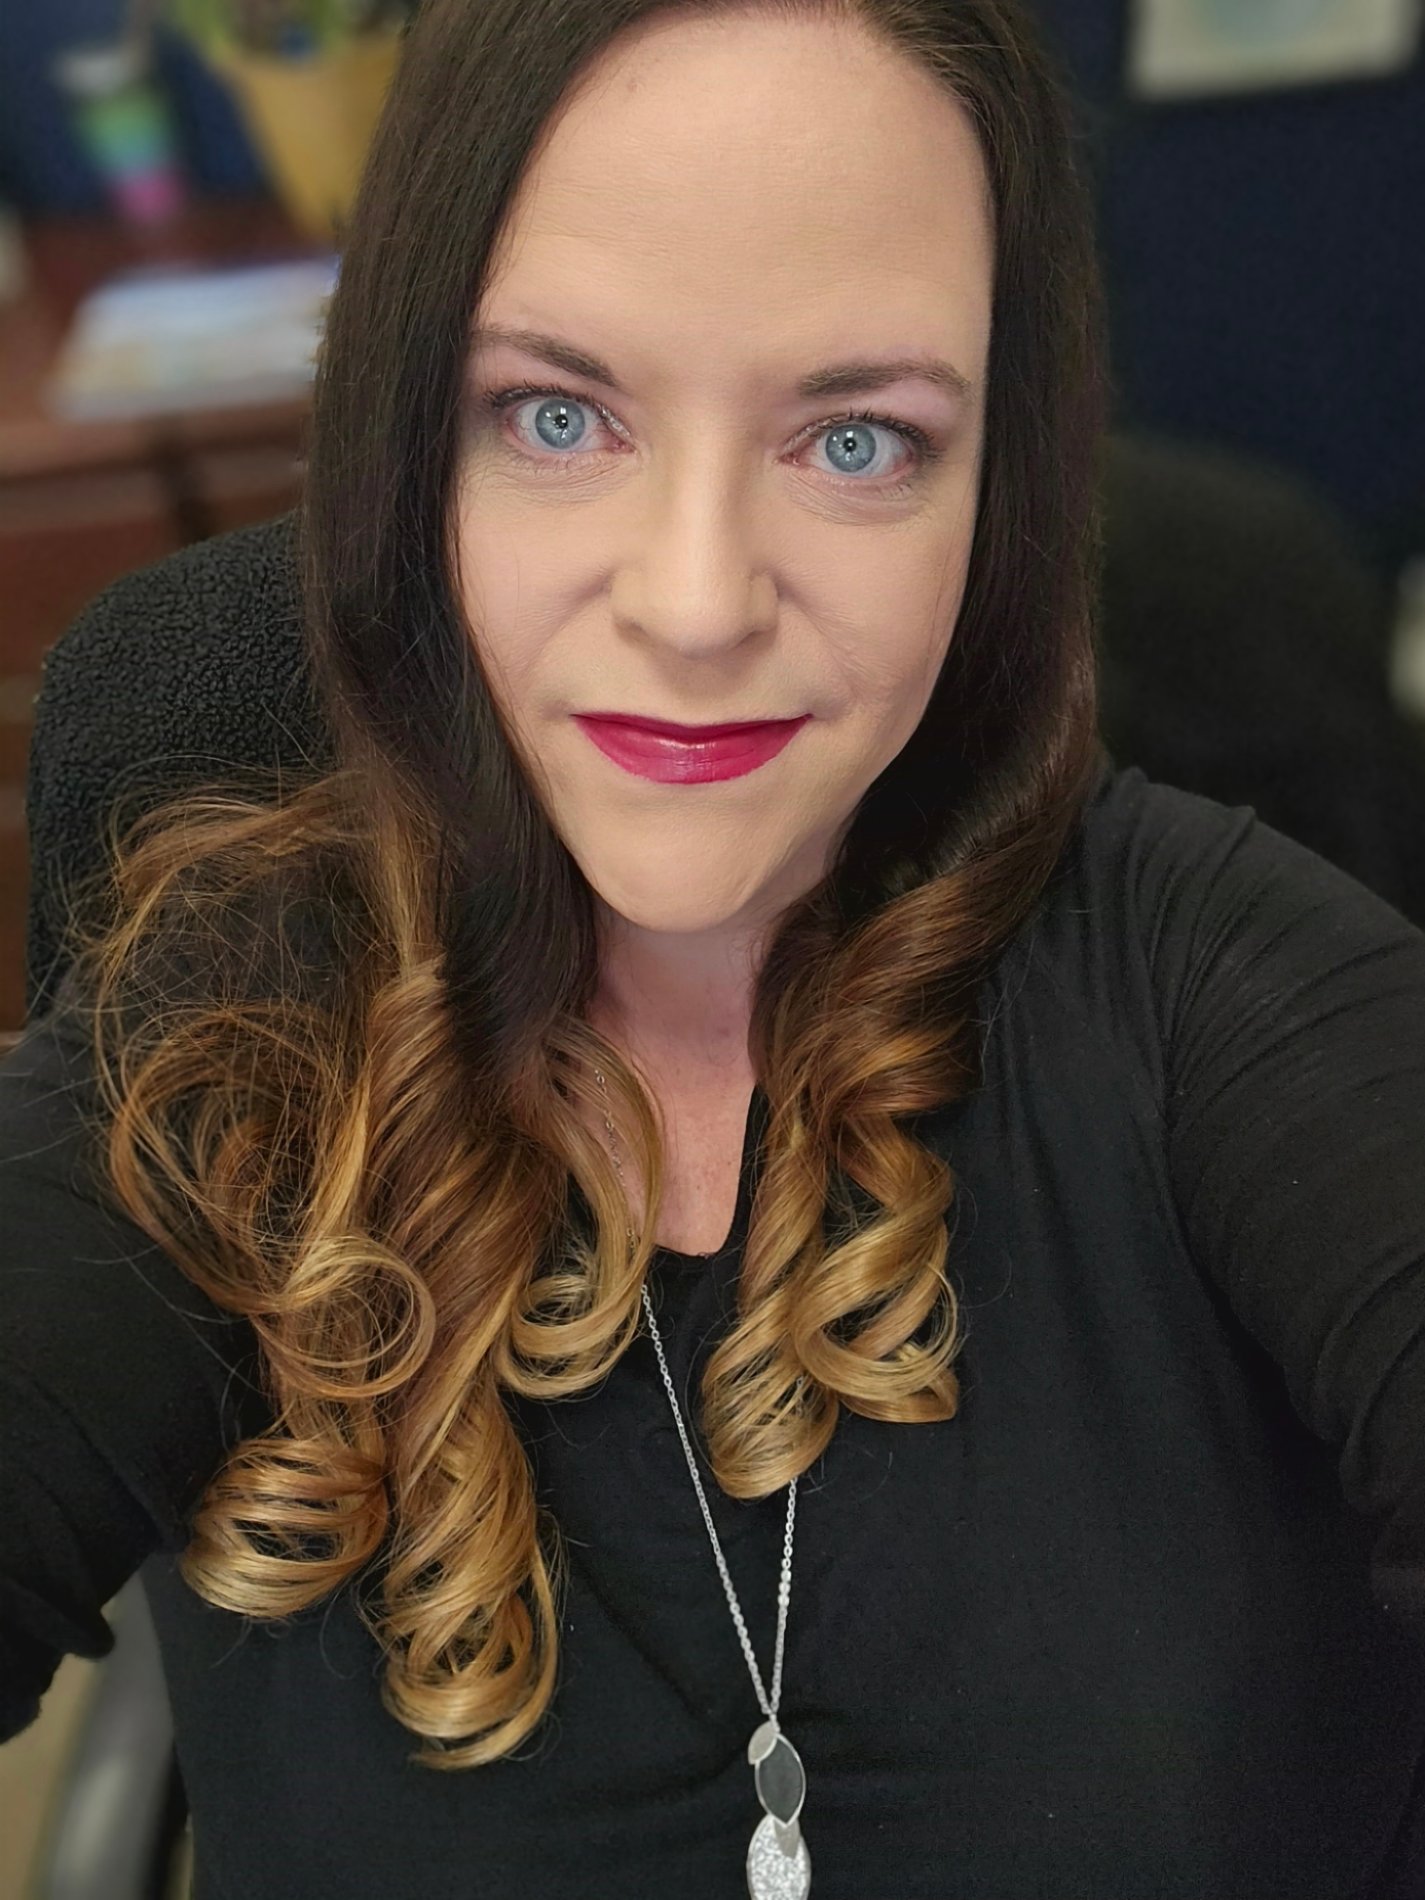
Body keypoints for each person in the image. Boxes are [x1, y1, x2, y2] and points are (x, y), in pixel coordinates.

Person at [3, 2, 1424, 1896]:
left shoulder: (1220, 992)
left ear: (997, 486)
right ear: (411, 444)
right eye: (558, 416)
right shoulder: (221, 1040)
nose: (693, 606)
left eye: (854, 439)